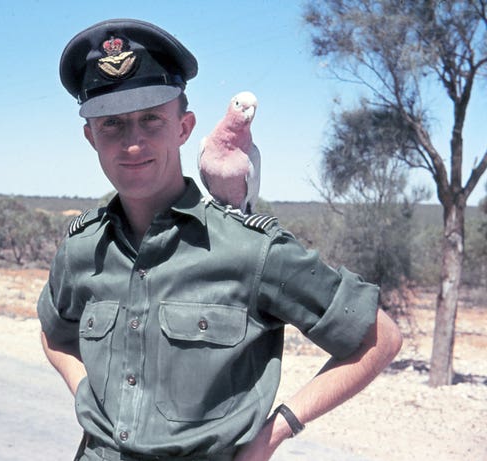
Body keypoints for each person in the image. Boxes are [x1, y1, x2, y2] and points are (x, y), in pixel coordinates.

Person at [37, 18, 403, 461]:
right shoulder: (83, 249)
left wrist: (273, 434)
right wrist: (84, 391)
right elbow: (54, 332)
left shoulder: (252, 250)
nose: (132, 142)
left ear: (185, 128)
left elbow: (379, 339)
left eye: (151, 118)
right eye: (111, 123)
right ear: (90, 136)